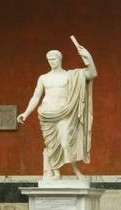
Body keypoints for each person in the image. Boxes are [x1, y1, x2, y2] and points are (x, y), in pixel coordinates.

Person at [17, 39, 96, 181]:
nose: (51, 61)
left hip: (65, 112)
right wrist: (26, 113)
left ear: (60, 59)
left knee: (66, 142)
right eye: (49, 59)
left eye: (53, 59)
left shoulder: (70, 75)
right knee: (51, 144)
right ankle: (56, 173)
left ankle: (76, 171)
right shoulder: (43, 78)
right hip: (47, 113)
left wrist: (87, 56)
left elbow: (92, 74)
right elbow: (36, 97)